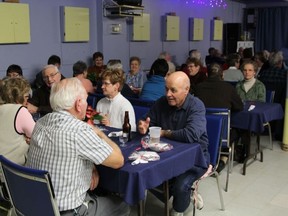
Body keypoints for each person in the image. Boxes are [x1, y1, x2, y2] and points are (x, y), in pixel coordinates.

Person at [26, 78, 130, 216]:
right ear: (79, 104)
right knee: (123, 206)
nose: (87, 104)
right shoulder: (80, 131)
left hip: (35, 205)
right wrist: (100, 133)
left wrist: (91, 165)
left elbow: (66, 151)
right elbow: (118, 161)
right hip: (67, 211)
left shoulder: (41, 122)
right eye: (86, 100)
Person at [138, 71, 209, 215]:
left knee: (180, 186)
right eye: (166, 89)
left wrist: (163, 132)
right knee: (144, 174)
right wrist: (142, 126)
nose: (168, 94)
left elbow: (190, 135)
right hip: (167, 154)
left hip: (194, 158)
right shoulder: (161, 103)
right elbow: (147, 121)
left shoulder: (196, 106)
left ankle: (179, 208)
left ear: (186, 90)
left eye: (173, 90)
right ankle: (184, 195)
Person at [194, 63, 243, 172]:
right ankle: (223, 159)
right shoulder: (228, 88)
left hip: (200, 132)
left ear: (207, 74)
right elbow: (239, 106)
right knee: (237, 129)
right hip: (222, 134)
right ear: (222, 75)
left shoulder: (198, 88)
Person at [0, 77, 35, 165]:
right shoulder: (20, 110)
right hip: (11, 168)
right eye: (26, 97)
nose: (27, 101)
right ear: (18, 96)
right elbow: (37, 136)